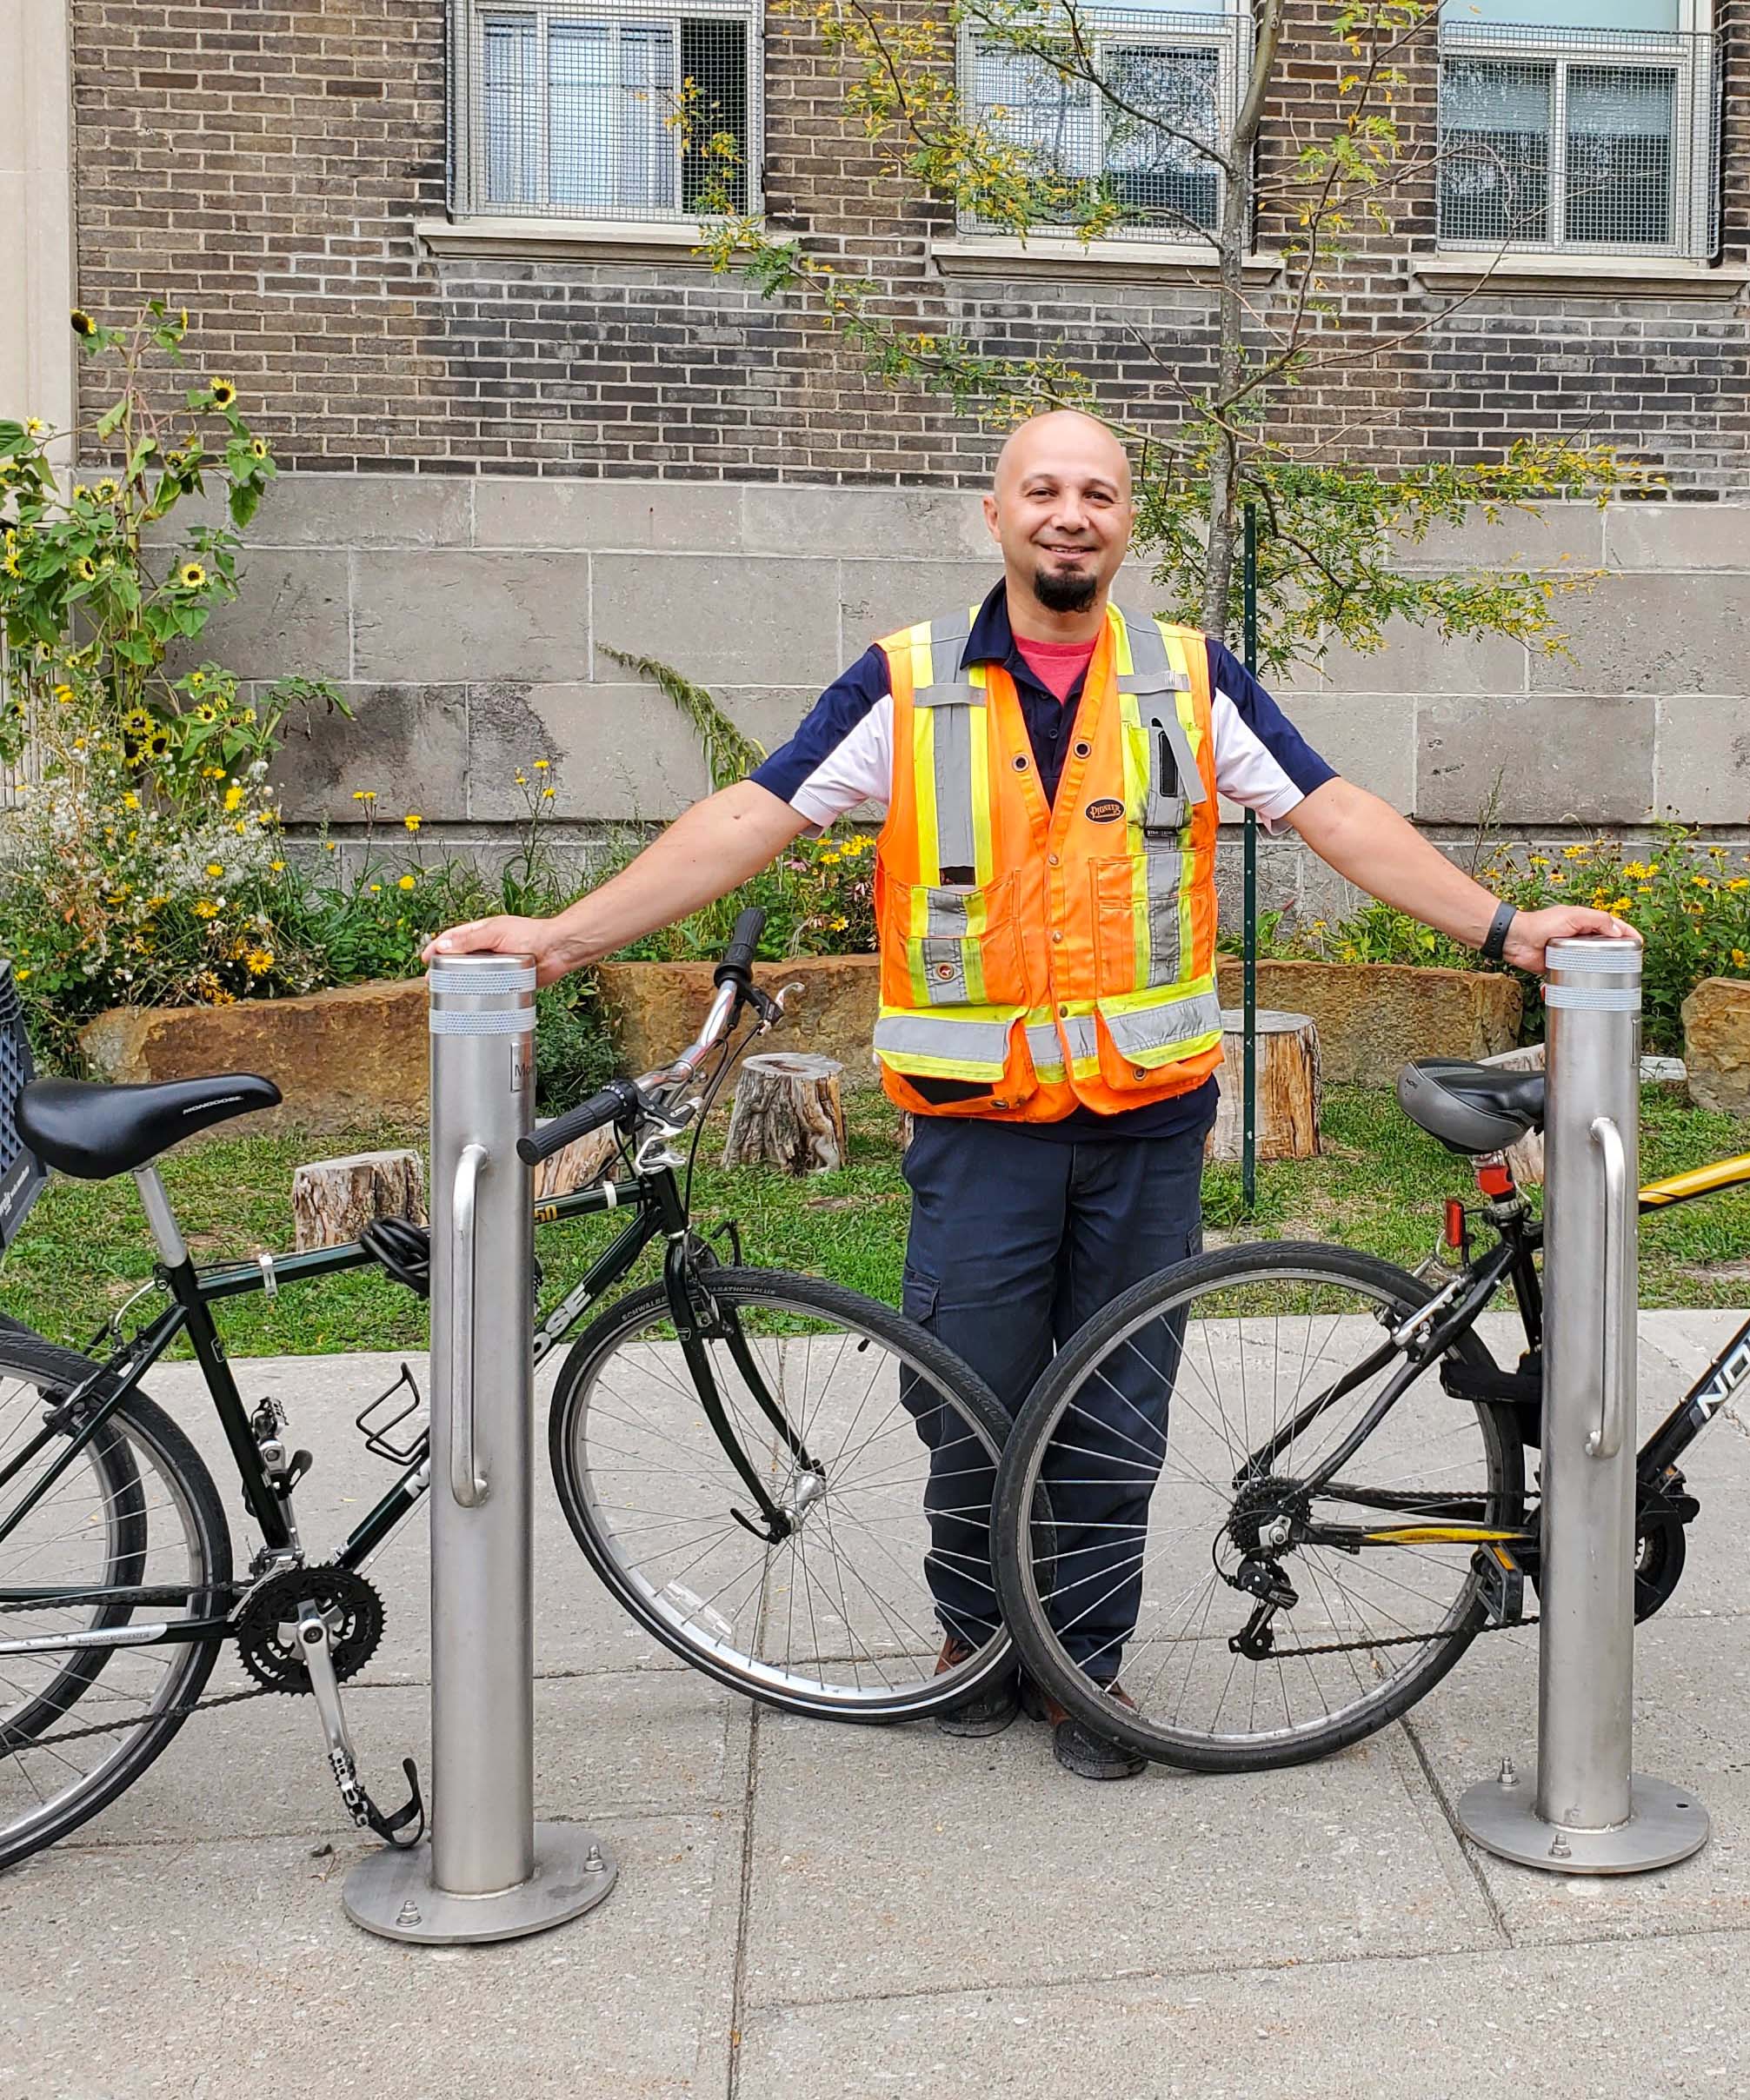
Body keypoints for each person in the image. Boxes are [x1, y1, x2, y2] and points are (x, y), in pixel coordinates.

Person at [424, 409, 1631, 1780]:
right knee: (964, 1397)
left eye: (1099, 493)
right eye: (1043, 490)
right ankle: (975, 1637)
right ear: (990, 518)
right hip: (978, 1129)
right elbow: (750, 816)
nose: (1072, 513)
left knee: (1116, 1404)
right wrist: (564, 938)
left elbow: (1331, 810)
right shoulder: (908, 683)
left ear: (1127, 525)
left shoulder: (1187, 679)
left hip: (1145, 1125)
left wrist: (1504, 927)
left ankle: (1082, 1670)